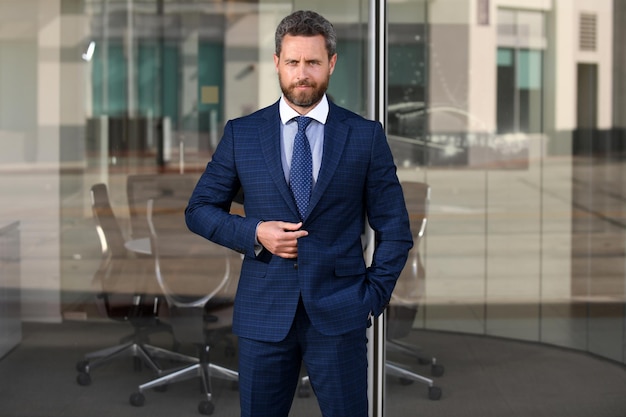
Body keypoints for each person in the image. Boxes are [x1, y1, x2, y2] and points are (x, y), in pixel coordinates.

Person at [185, 10, 413, 417]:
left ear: (332, 63)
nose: (302, 73)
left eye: (312, 62)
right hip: (264, 314)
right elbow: (199, 210)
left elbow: (395, 229)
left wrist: (371, 298)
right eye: (293, 62)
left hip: (341, 312)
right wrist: (255, 232)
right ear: (277, 63)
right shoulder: (243, 134)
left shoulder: (365, 136)